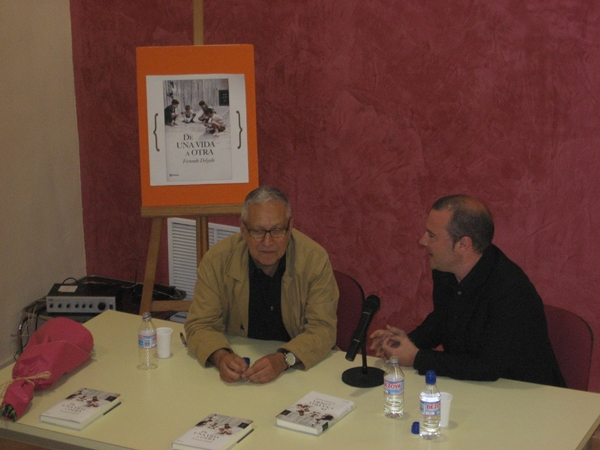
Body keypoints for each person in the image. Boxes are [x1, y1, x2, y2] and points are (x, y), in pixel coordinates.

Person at [370, 194, 566, 387]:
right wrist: (405, 343)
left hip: (526, 396)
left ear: (463, 245)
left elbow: (488, 367)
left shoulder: (511, 289)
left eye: (432, 235)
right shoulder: (445, 270)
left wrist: (416, 358)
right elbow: (442, 320)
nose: (422, 241)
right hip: (475, 389)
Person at [184, 186, 338, 384]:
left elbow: (323, 330)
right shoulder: (217, 261)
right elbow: (200, 324)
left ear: (290, 227)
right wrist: (220, 356)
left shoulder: (314, 260)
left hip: (298, 371)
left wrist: (284, 360)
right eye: (257, 231)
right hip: (241, 374)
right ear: (243, 230)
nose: (267, 242)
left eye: (277, 230)